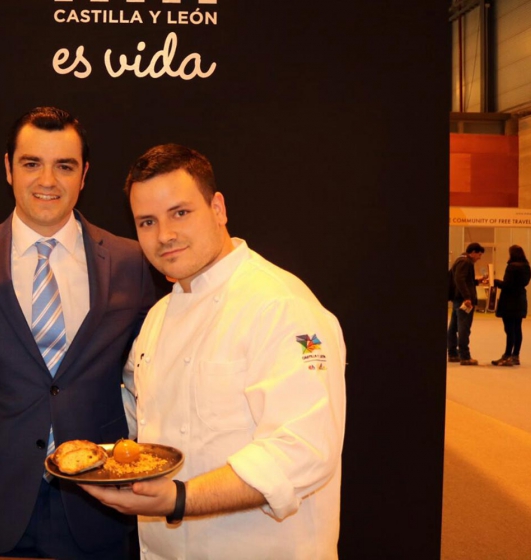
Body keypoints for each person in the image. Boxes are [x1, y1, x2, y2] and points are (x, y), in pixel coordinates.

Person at [81, 144, 347, 559]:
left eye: (180, 212)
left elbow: (303, 450)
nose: (164, 235)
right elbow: (139, 416)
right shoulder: (158, 316)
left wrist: (179, 498)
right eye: (147, 221)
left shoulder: (281, 305)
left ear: (218, 208)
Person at [0, 107, 156, 559]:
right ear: (8, 168)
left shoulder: (132, 263)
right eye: (31, 163)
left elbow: (154, 376)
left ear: (84, 175)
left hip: (97, 504)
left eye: (64, 166)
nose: (48, 180)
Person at [490, 245, 531, 366]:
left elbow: (508, 285)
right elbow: (523, 283)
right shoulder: (526, 267)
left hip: (509, 301)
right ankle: (515, 355)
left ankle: (507, 355)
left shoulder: (511, 267)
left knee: (509, 330)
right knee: (517, 328)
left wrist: (496, 281)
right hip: (520, 299)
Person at [447, 242, 486, 365]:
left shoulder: (460, 260)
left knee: (453, 327)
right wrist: (467, 297)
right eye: (479, 254)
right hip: (463, 300)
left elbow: (462, 280)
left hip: (457, 298)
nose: (479, 257)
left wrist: (476, 281)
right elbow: (460, 279)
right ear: (473, 252)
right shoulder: (466, 262)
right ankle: (465, 356)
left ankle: (453, 353)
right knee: (464, 328)